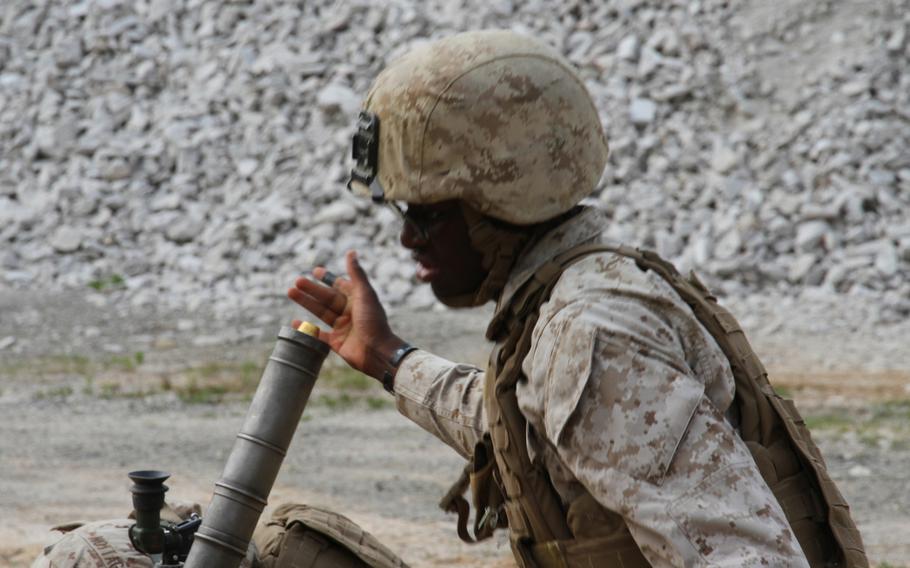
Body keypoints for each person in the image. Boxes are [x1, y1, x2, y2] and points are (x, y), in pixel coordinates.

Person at [287, 30, 868, 568]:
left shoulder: (592, 331)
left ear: (499, 202)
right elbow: (525, 429)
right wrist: (387, 357)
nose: (408, 238)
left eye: (429, 215)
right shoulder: (574, 296)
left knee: (290, 547)